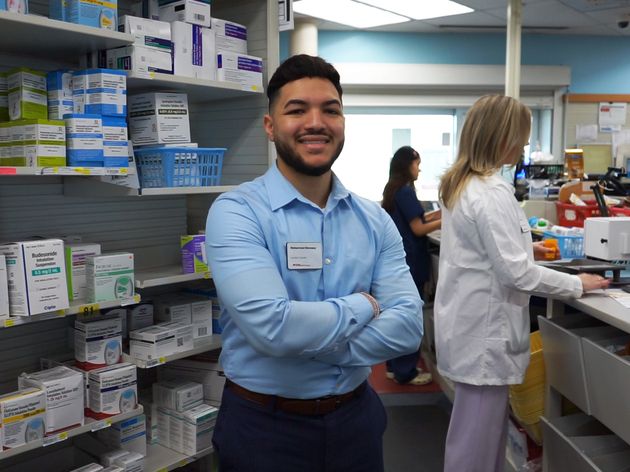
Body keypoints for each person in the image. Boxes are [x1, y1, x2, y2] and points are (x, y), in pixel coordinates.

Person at [204, 54, 424, 472]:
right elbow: (273, 327)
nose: (315, 122)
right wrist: (365, 306)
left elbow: (409, 327)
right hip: (264, 430)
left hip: (356, 420)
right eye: (297, 110)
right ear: (270, 127)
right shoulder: (237, 212)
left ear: (342, 123)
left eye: (330, 109)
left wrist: (298, 344)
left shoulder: (373, 219)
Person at [434, 94, 609, 472]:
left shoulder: (462, 184)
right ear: (500, 138)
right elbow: (516, 274)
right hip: (483, 337)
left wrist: (526, 246)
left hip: (469, 330)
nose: (525, 145)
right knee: (475, 450)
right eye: (522, 137)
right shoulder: (490, 192)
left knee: (476, 442)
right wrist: (578, 283)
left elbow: (480, 249)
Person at [381, 146, 441, 385]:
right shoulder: (405, 192)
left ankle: (393, 367)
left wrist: (437, 217)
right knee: (408, 317)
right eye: (417, 163)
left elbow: (417, 220)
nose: (419, 168)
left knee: (397, 315)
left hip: (400, 261)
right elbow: (418, 228)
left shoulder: (394, 189)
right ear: (407, 165)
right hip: (411, 261)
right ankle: (406, 371)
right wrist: (445, 220)